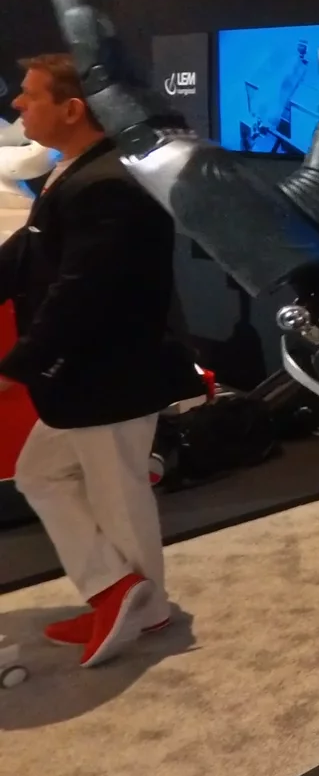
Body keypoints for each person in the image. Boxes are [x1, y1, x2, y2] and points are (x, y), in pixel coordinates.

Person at [0, 54, 204, 667]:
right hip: (89, 377)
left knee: (117, 494)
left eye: (30, 95)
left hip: (108, 375)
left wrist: (16, 366)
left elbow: (81, 292)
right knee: (44, 475)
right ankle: (127, 594)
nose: (17, 104)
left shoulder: (109, 182)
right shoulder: (79, 171)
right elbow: (29, 256)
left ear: (72, 109)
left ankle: (132, 602)